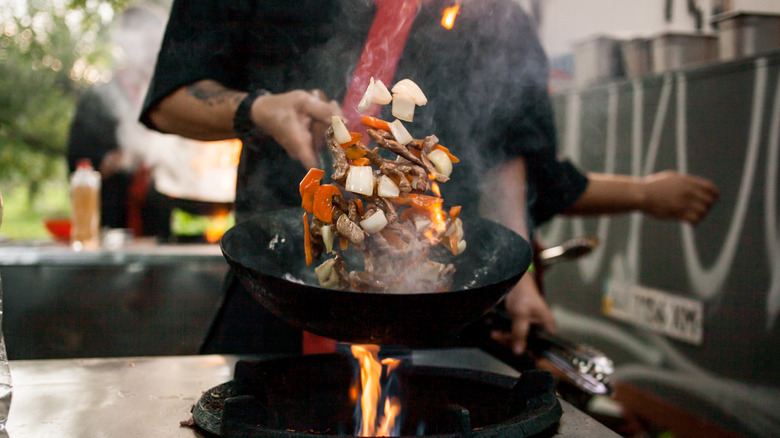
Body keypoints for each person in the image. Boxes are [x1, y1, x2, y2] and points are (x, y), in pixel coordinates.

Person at [140, 0, 717, 355]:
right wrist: (258, 109)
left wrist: (521, 283)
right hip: (279, 289)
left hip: (439, 307)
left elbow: (503, 155)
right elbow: (171, 98)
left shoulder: (488, 12)